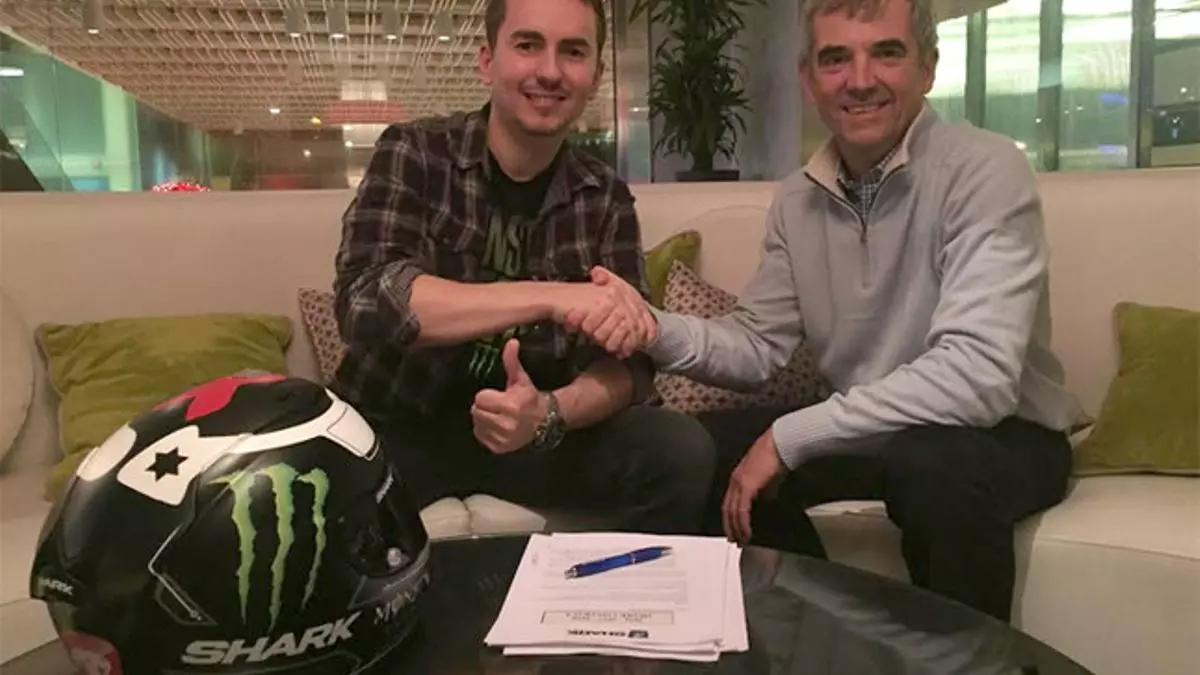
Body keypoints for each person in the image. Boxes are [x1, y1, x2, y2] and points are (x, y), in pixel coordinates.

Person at [582, 0, 1087, 622]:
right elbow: (756, 345)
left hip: (1005, 435)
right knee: (692, 450)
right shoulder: (796, 199)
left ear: (928, 67)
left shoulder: (986, 169)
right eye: (836, 58)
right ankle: (825, 634)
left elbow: (977, 379)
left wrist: (790, 436)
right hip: (876, 430)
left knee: (933, 465)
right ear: (808, 79)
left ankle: (970, 663)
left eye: (887, 53)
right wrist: (651, 326)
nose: (860, 79)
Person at [330, 0, 716, 536]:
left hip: (535, 436)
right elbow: (368, 301)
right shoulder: (415, 151)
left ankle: (613, 588)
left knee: (679, 450)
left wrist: (549, 413)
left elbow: (627, 367)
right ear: (488, 61)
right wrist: (553, 296)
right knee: (299, 476)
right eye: (528, 45)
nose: (550, 71)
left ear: (595, 75)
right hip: (398, 424)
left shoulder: (604, 197)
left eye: (573, 51)